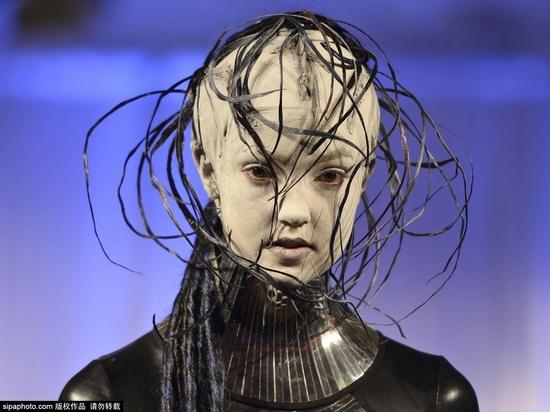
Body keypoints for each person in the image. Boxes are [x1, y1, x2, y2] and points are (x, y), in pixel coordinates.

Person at [60, 11, 479, 411]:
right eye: (261, 172)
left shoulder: (434, 398)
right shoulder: (102, 395)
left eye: (330, 175)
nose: (294, 211)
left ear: (364, 175)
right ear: (208, 169)